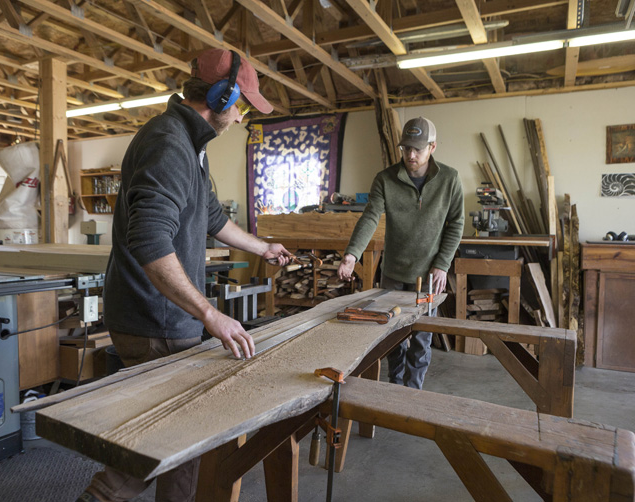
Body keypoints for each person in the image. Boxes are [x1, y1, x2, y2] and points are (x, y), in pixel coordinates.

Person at [77, 48, 292, 502]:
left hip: (163, 317)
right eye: (240, 106)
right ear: (221, 95)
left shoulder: (190, 143)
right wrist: (210, 316)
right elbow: (151, 244)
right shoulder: (170, 145)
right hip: (157, 319)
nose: (239, 119)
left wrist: (264, 247)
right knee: (161, 444)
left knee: (178, 443)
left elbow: (213, 218)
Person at [337, 117, 464, 390]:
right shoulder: (385, 179)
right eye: (406, 148)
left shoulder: (450, 179)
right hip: (393, 272)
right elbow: (370, 217)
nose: (411, 155)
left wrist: (442, 264)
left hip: (429, 273)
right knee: (392, 334)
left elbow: (457, 223)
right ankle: (394, 387)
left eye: (417, 149)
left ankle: (413, 392)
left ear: (432, 147)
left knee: (421, 339)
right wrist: (352, 255)